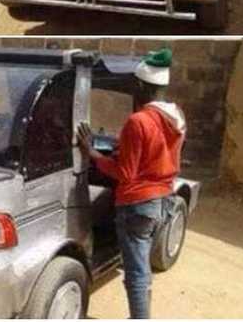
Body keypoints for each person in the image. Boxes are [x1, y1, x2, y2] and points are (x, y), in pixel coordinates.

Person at [78, 48, 186, 319]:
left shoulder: (138, 121)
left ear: (139, 85)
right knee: (142, 268)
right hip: (161, 199)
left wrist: (93, 154)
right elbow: (154, 156)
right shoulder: (176, 118)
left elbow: (125, 174)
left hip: (136, 204)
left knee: (135, 273)